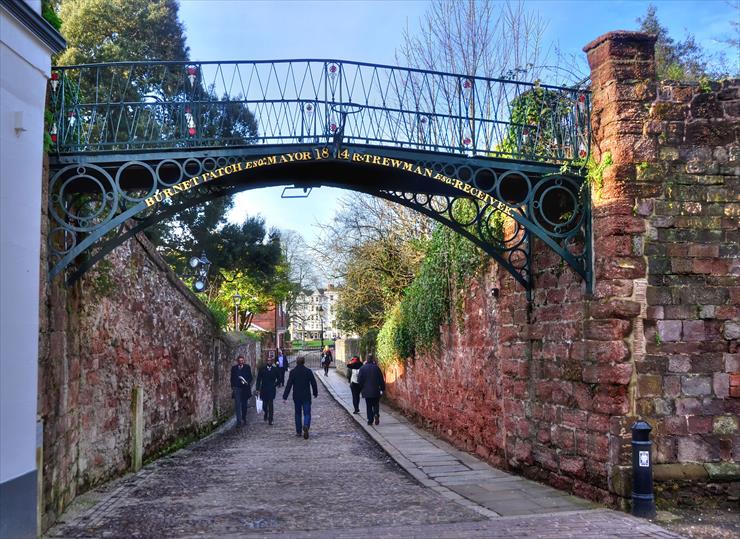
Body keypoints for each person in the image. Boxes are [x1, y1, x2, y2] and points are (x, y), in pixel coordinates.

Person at [283, 356, 318, 439]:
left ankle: (298, 432)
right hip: (306, 396)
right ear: (304, 362)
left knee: (298, 414)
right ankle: (306, 425)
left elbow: (289, 385)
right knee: (307, 413)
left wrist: (285, 396)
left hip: (297, 396)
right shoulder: (308, 371)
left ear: (296, 362)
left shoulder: (293, 372)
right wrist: (315, 392)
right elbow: (313, 383)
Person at [357, 353, 385, 426]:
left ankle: (370, 420)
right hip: (376, 390)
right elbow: (381, 379)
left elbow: (359, 380)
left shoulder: (362, 368)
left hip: (366, 391)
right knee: (376, 404)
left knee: (368, 405)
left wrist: (361, 388)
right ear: (372, 359)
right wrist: (382, 389)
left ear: (366, 360)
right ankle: (376, 414)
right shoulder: (376, 368)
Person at [256, 356, 280, 425]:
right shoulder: (262, 369)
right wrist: (257, 388)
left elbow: (279, 378)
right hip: (264, 389)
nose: (269, 362)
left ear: (272, 362)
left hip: (272, 389)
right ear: (266, 362)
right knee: (264, 405)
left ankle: (270, 419)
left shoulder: (275, 369)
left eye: (270, 361)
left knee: (271, 404)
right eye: (268, 361)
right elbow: (258, 379)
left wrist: (275, 385)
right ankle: (266, 413)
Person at [230, 355, 253, 427]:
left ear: (244, 361)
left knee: (244, 405)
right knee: (237, 405)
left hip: (245, 389)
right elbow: (232, 378)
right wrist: (233, 387)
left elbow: (250, 377)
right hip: (237, 389)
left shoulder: (247, 367)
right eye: (239, 361)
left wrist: (246, 382)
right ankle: (238, 421)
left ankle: (244, 417)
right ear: (238, 361)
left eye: (242, 361)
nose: (241, 362)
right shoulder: (234, 368)